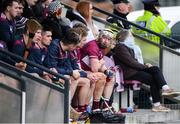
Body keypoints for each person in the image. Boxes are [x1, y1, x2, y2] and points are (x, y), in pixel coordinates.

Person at [113, 29, 180, 112]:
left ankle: (161, 97)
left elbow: (134, 61)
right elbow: (131, 62)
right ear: (123, 37)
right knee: (154, 74)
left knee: (154, 73)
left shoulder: (127, 47)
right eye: (130, 36)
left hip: (134, 70)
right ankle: (163, 92)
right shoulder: (120, 47)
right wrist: (145, 67)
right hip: (130, 73)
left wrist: (145, 64)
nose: (132, 38)